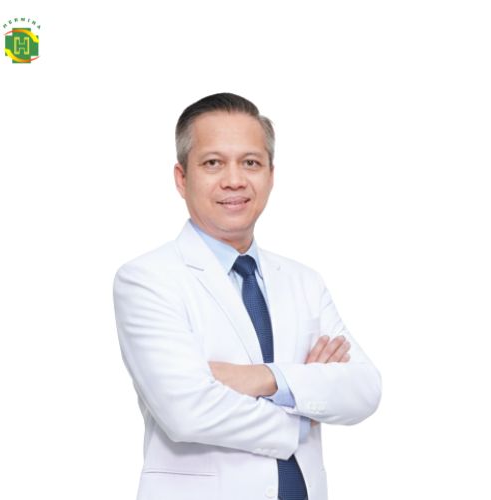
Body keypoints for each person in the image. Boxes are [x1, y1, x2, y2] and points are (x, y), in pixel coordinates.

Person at [113, 92, 381, 500]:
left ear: (271, 175)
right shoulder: (147, 280)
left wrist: (262, 378)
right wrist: (304, 407)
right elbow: (186, 412)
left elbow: (363, 388)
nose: (234, 180)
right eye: (213, 163)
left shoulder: (303, 281)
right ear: (182, 178)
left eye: (251, 163)